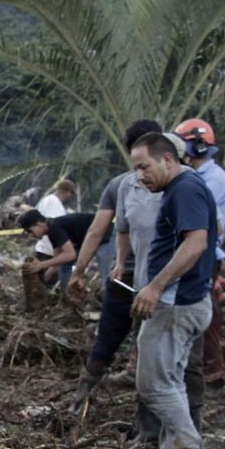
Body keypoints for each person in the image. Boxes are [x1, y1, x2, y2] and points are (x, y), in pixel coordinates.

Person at [128, 132, 219, 449]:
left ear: (168, 159)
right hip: (185, 302)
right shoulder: (184, 187)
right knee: (170, 380)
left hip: (175, 304)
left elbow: (195, 243)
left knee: (153, 384)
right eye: (136, 169)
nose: (140, 176)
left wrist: (155, 286)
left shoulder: (185, 190)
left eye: (144, 167)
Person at [65, 119, 165, 407]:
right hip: (155, 281)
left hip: (130, 278)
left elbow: (97, 231)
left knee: (106, 342)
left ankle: (79, 402)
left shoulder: (120, 184)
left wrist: (79, 272)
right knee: (150, 349)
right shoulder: (179, 183)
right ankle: (147, 417)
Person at [174, 118, 225, 387]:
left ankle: (212, 368)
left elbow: (201, 221)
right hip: (198, 249)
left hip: (203, 252)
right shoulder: (196, 176)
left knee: (205, 308)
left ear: (197, 147)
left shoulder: (213, 178)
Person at [19, 208, 97, 288]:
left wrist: (41, 265)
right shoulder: (51, 231)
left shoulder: (55, 227)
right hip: (88, 240)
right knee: (63, 265)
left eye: (30, 231)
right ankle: (67, 293)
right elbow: (56, 264)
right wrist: (39, 284)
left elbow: (70, 254)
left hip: (104, 234)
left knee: (105, 271)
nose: (31, 235)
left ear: (39, 224)